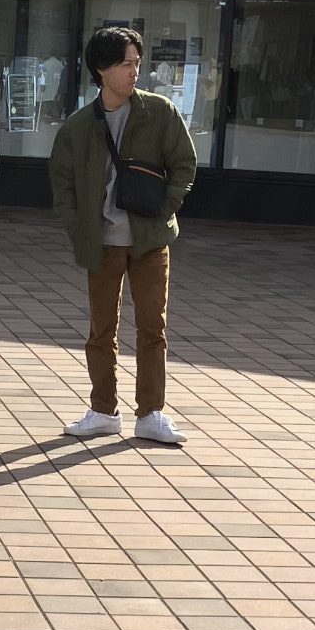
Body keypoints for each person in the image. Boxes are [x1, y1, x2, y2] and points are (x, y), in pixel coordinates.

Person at [48, 24, 198, 446]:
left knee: (153, 328)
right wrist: (77, 226)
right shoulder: (79, 126)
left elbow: (184, 164)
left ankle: (151, 414)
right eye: (126, 64)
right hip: (102, 242)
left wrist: (165, 209)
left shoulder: (159, 112)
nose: (135, 72)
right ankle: (103, 410)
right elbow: (62, 181)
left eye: (137, 63)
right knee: (101, 330)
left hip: (149, 240)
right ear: (102, 69)